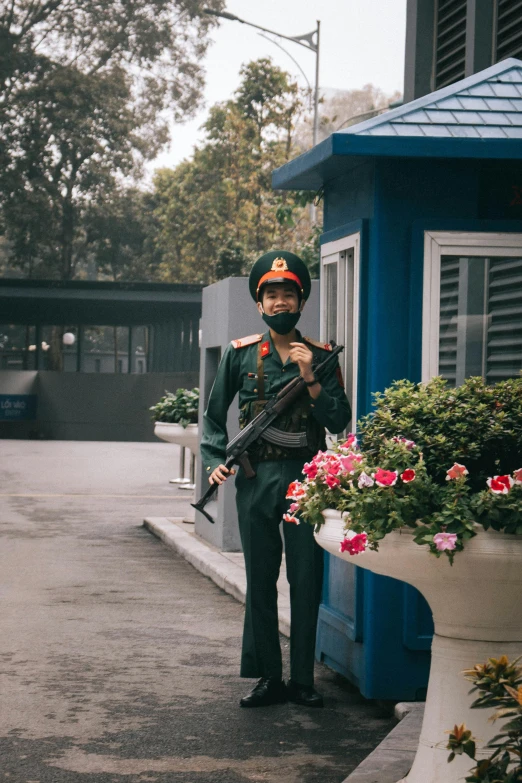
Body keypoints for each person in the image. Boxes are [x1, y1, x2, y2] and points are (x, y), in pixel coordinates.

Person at [200, 250, 351, 708]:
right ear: (260, 304)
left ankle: (303, 680)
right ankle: (269, 676)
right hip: (256, 481)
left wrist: (310, 379)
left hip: (306, 481)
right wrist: (214, 458)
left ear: (301, 302)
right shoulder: (239, 354)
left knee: (306, 579)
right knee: (261, 579)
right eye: (272, 295)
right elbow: (212, 416)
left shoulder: (321, 357)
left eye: (289, 294)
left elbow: (339, 420)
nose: (280, 302)